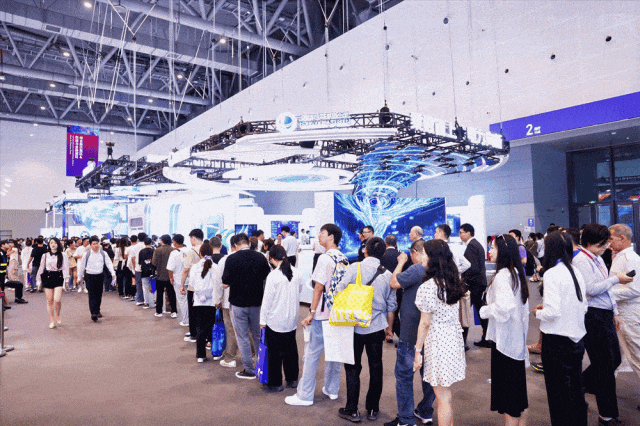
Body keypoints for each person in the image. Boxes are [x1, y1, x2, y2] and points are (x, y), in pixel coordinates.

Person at [573, 224, 631, 426]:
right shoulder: (581, 260)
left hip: (605, 314)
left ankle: (580, 385)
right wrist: (616, 279)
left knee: (613, 360)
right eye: (602, 244)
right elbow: (591, 289)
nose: (606, 247)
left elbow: (606, 289)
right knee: (605, 366)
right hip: (593, 316)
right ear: (589, 242)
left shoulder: (596, 258)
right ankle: (606, 416)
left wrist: (614, 311)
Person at [335, 237, 396, 422]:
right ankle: (372, 409)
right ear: (383, 253)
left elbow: (339, 290)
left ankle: (352, 409)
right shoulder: (388, 274)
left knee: (352, 367)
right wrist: (389, 329)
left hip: (353, 326)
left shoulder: (355, 268)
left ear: (365, 250)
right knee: (376, 367)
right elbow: (391, 306)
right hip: (376, 327)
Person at [285, 223, 346, 407]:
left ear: (331, 237)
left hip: (322, 314)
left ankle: (305, 395)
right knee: (334, 354)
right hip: (338, 314)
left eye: (322, 233)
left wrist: (311, 312)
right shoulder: (343, 257)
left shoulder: (324, 259)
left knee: (312, 354)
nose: (319, 236)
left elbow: (318, 287)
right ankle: (332, 389)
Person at [532, 231, 588, 426]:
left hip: (556, 342)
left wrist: (538, 313)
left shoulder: (552, 274)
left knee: (558, 395)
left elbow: (553, 313)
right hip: (576, 340)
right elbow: (583, 305)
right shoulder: (575, 271)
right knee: (575, 390)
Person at [413, 239, 466, 426]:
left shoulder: (428, 287)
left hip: (437, 342)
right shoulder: (452, 281)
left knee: (442, 397)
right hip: (452, 339)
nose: (422, 257)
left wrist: (417, 351)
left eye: (424, 253)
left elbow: (425, 323)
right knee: (446, 395)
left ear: (433, 258)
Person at [479, 234, 530, 425]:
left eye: (493, 247)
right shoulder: (515, 273)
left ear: (503, 251)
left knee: (509, 400)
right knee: (517, 398)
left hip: (505, 344)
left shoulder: (502, 276)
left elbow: (504, 309)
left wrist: (485, 310)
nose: (490, 251)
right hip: (515, 341)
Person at [386, 239, 435, 426]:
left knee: (404, 376)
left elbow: (393, 282)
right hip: (431, 332)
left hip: (411, 332)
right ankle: (425, 411)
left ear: (415, 252)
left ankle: (406, 419)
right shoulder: (437, 271)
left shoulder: (417, 269)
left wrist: (400, 262)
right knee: (429, 376)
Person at [222, 233, 271, 379]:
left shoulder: (231, 259)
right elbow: (267, 277)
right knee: (258, 335)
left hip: (238, 303)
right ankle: (262, 366)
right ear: (248, 243)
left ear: (235, 245)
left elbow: (225, 282)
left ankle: (249, 369)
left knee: (242, 337)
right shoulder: (260, 257)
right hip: (257, 303)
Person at [260, 245, 302, 392]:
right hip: (291, 319)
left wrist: (262, 321)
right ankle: (292, 379)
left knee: (274, 353)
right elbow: (299, 291)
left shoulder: (273, 276)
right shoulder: (297, 273)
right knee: (291, 350)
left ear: (271, 258)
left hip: (275, 319)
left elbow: (267, 301)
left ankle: (276, 383)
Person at [608, 223, 640, 412]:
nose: (609, 243)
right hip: (620, 312)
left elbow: (635, 289)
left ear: (622, 238)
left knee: (636, 354)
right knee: (618, 355)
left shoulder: (631, 259)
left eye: (611, 239)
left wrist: (607, 291)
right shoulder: (619, 257)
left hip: (629, 313)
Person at [435, 224, 472, 351]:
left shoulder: (438, 249)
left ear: (441, 233)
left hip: (441, 286)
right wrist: (456, 273)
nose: (434, 234)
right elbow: (467, 264)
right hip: (454, 286)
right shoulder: (454, 249)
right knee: (455, 314)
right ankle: (458, 341)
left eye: (436, 232)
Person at [189, 242, 221, 363]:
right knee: (213, 327)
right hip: (212, 302)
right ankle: (216, 353)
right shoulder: (216, 267)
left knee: (200, 328)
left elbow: (192, 283)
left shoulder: (195, 267)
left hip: (199, 302)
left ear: (200, 253)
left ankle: (200, 355)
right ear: (211, 253)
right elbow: (219, 285)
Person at [459, 223, 489, 348]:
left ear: (468, 233)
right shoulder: (476, 244)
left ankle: (463, 342)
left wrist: (464, 281)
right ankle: (486, 338)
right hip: (479, 283)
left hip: (474, 285)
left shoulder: (472, 246)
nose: (460, 235)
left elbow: (472, 268)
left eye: (461, 232)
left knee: (464, 312)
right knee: (480, 312)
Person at [214, 235, 240, 367]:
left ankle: (230, 357)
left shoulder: (225, 260)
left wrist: (217, 300)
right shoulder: (254, 257)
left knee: (230, 329)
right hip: (250, 301)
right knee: (249, 331)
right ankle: (253, 357)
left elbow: (219, 282)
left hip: (228, 301)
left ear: (231, 245)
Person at [78, 236, 116, 322]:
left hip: (99, 276)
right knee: (91, 294)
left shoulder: (103, 253)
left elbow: (109, 263)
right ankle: (93, 313)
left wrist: (113, 273)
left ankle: (97, 309)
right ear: (90, 245)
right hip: (89, 276)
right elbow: (82, 267)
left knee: (99, 294)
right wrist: (79, 277)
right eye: (94, 244)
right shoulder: (87, 254)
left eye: (97, 243)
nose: (96, 245)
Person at [36, 237, 69, 328]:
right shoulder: (45, 255)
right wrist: (38, 281)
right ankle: (51, 320)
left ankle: (57, 313)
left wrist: (66, 281)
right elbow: (41, 268)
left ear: (58, 244)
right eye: (51, 243)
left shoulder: (63, 254)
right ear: (49, 245)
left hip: (58, 276)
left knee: (57, 299)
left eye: (54, 243)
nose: (53, 244)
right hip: (48, 277)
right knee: (49, 300)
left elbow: (65, 268)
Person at [181, 229, 204, 343]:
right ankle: (201, 333)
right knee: (203, 311)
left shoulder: (192, 251)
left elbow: (186, 270)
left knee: (193, 310)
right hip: (206, 286)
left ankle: (194, 334)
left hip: (193, 286)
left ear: (193, 238)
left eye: (190, 238)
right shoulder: (207, 248)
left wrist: (181, 284)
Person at [381, 234, 401, 342]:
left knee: (384, 311)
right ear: (396, 244)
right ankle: (392, 332)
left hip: (383, 287)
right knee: (394, 311)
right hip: (398, 287)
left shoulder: (382, 255)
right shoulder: (401, 256)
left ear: (386, 243)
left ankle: (388, 333)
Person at [152, 235, 177, 318]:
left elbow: (154, 263)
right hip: (171, 276)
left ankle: (159, 311)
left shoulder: (157, 250)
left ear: (162, 241)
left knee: (159, 294)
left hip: (160, 275)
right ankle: (174, 311)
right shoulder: (173, 250)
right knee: (171, 294)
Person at [167, 234, 189, 327]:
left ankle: (186, 320)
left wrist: (171, 278)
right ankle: (192, 319)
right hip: (190, 279)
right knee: (190, 300)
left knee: (182, 301)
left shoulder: (174, 253)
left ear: (175, 242)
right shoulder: (189, 250)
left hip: (179, 280)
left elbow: (170, 268)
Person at [4, 240, 27, 304]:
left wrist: (9, 248)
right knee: (11, 274)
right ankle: (16, 296)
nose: (10, 244)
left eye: (11, 243)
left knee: (13, 274)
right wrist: (9, 248)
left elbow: (8, 254)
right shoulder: (11, 249)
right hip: (12, 262)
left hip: (14, 262)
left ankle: (15, 287)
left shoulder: (15, 249)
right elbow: (8, 254)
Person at [129, 233, 147, 306]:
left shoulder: (134, 247)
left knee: (139, 284)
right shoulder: (147, 245)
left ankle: (140, 300)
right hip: (147, 268)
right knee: (149, 283)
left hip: (138, 267)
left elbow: (132, 258)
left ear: (138, 239)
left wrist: (134, 267)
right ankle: (150, 299)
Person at [138, 238, 156, 310]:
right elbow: (155, 262)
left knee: (145, 287)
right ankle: (154, 301)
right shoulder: (154, 251)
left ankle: (146, 303)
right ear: (151, 243)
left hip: (144, 271)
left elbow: (140, 262)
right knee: (153, 286)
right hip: (152, 271)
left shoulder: (141, 251)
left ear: (144, 243)